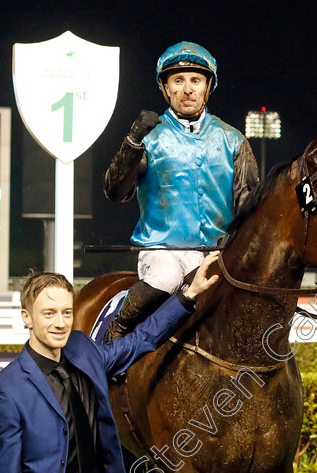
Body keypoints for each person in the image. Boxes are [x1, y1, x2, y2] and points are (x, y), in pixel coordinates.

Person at [0, 252, 221, 473]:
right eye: (49, 313)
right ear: (26, 317)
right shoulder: (5, 390)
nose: (60, 323)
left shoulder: (85, 351)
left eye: (67, 313)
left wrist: (189, 295)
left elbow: (142, 338)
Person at [103, 41, 258, 342]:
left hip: (217, 254)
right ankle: (117, 330)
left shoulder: (233, 139)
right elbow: (114, 191)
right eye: (178, 80)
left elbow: (249, 206)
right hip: (162, 252)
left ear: (207, 87)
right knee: (168, 277)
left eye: (195, 81)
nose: (188, 89)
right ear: (166, 89)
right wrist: (133, 142)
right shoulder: (149, 139)